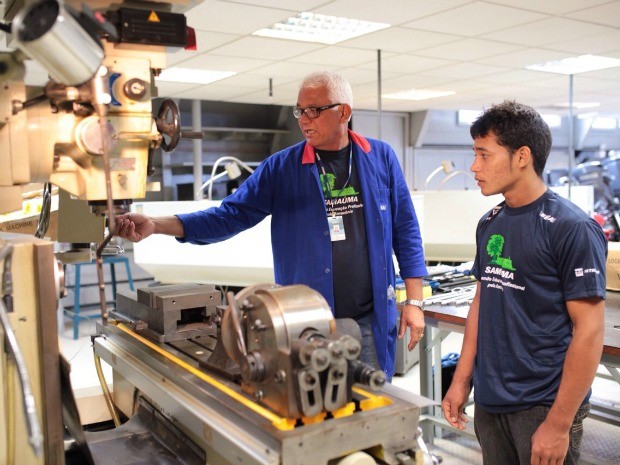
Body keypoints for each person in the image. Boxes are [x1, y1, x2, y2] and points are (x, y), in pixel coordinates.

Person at [115, 71, 427, 379]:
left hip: (369, 320)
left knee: (373, 407)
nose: (304, 119)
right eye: (299, 111)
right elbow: (228, 216)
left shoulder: (380, 157)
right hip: (307, 324)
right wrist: (156, 224)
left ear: (343, 111)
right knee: (313, 408)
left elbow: (405, 230)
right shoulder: (281, 168)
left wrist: (414, 301)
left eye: (314, 111)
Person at [441, 100, 607, 465]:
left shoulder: (572, 228)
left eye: (484, 155)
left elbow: (590, 331)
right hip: (490, 398)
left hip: (542, 403)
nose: (474, 167)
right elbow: (481, 302)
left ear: (522, 156)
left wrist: (559, 423)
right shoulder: (490, 222)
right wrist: (461, 380)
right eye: (474, 154)